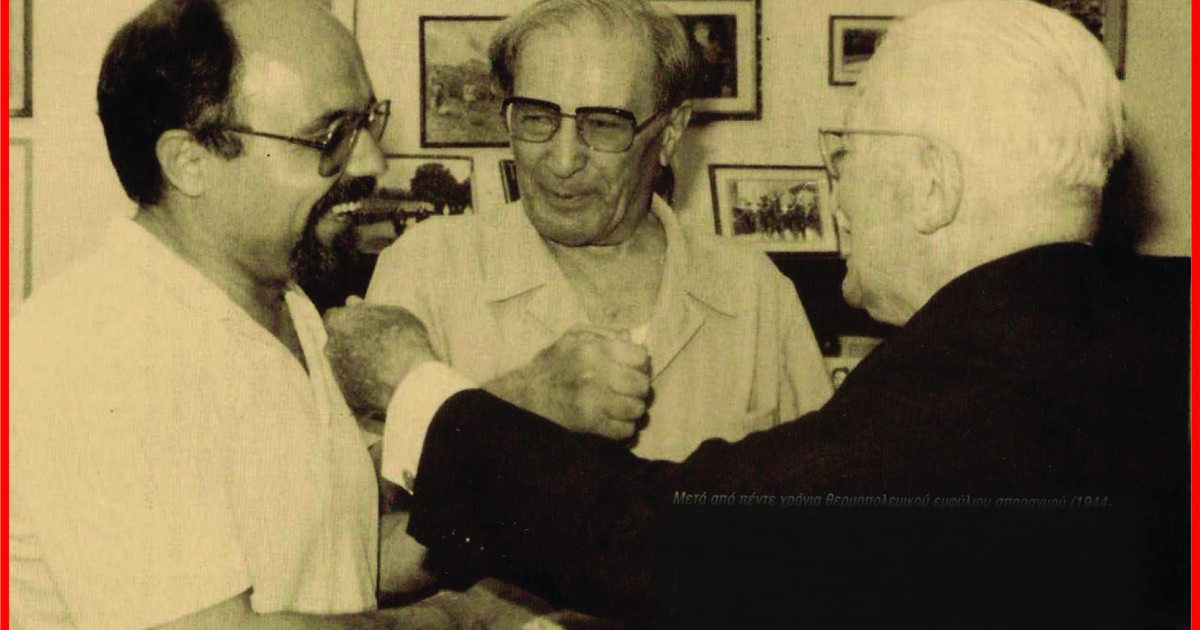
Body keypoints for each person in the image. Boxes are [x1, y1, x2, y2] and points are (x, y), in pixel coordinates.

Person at [326, 1, 1189, 627]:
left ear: (932, 185)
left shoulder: (946, 381)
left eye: (847, 152)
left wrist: (426, 388)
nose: (833, 191)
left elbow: (677, 538)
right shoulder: (1156, 338)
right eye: (536, 118)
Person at [8, 0, 647, 627]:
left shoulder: (286, 308)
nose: (371, 163)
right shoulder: (97, 350)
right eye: (330, 136)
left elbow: (346, 558)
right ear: (190, 163)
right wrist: (455, 622)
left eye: (367, 123)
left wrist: (523, 434)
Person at [365, 0, 833, 465]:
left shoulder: (753, 292)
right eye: (536, 118)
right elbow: (362, 498)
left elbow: (825, 496)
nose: (563, 161)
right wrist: (523, 400)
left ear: (671, 132)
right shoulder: (427, 269)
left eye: (604, 126)